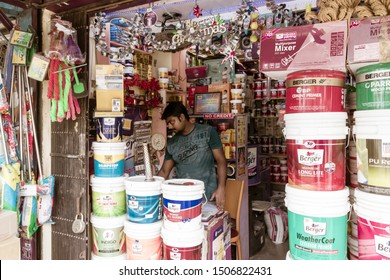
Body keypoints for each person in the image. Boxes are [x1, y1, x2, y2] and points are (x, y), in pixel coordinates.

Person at [157, 102, 227, 209]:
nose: (170, 126)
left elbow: (221, 160)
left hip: (208, 197)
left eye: (172, 122)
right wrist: (151, 189)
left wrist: (221, 188)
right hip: (183, 199)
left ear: (182, 117)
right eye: (168, 123)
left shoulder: (208, 132)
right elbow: (164, 171)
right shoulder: (172, 143)